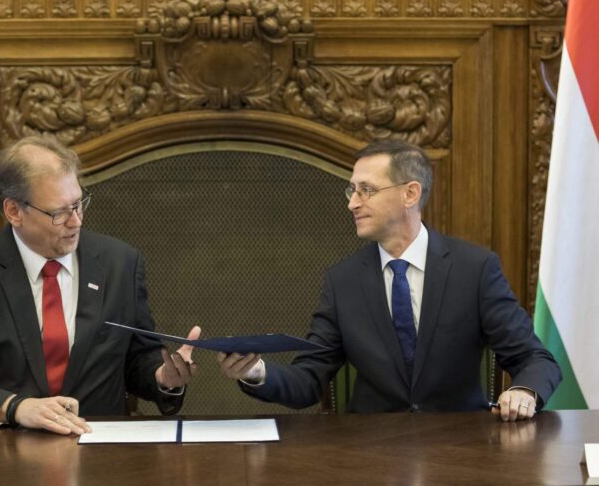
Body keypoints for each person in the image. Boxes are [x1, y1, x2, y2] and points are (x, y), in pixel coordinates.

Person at [219, 139, 561, 421]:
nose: (353, 204)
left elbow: (535, 359)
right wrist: (256, 372)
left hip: (459, 447)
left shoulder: (474, 269)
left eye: (366, 190)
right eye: (352, 191)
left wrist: (524, 391)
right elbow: (309, 379)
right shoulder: (343, 281)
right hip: (371, 450)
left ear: (410, 194)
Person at [0, 136, 200, 435]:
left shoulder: (120, 263)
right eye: (59, 212)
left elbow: (139, 358)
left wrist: (163, 376)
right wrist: (15, 407)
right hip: (8, 449)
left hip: (100, 448)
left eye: (78, 204)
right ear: (14, 212)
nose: (76, 222)